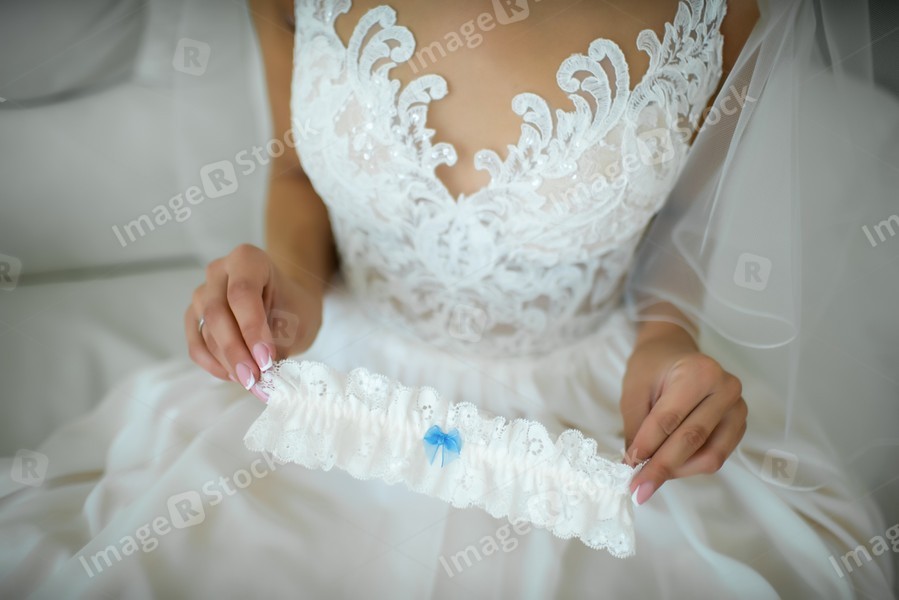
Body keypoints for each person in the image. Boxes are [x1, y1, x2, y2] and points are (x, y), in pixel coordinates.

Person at [1, 0, 895, 598]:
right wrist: (288, 293)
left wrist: (665, 340)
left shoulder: (727, 9)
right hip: (330, 390)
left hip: (586, 421)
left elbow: (686, 219)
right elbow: (294, 171)